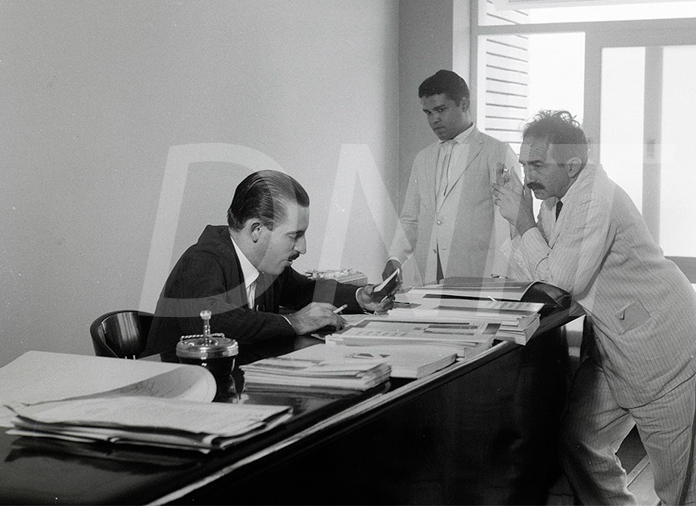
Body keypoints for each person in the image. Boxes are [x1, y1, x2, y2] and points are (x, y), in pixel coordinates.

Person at [492, 110, 696, 505]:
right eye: (524, 164)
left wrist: (522, 220)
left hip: (667, 349)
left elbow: (560, 281)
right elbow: (532, 273)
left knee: (683, 491)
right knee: (580, 441)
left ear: (572, 165)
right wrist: (519, 222)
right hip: (616, 345)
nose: (527, 177)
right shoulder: (553, 201)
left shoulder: (594, 198)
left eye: (538, 165)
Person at [144, 170, 392, 361]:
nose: (303, 248)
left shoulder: (268, 266)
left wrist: (361, 297)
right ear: (256, 229)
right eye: (294, 235)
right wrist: (294, 322)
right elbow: (213, 323)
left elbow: (307, 291)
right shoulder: (202, 261)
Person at [383, 69, 519, 286]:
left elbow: (510, 221)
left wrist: (501, 276)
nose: (434, 120)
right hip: (429, 274)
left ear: (464, 105)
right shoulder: (423, 158)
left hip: (478, 276)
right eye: (428, 113)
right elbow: (411, 217)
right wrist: (395, 257)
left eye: (441, 109)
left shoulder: (497, 152)